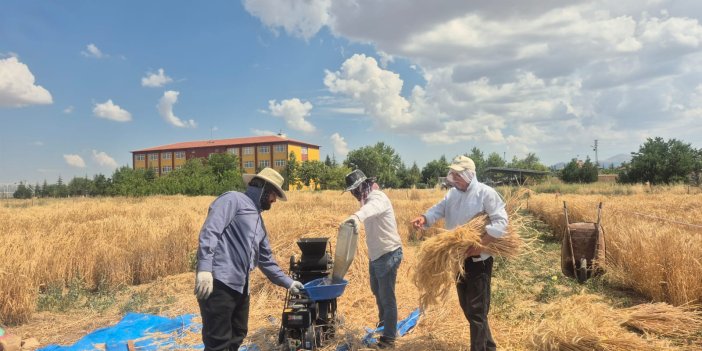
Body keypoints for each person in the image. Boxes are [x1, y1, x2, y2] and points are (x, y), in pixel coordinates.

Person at [194, 167, 305, 351]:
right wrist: (204, 268)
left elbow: (266, 259)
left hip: (240, 287)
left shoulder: (259, 223)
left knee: (238, 333)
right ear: (263, 188)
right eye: (273, 194)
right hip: (219, 284)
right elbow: (210, 231)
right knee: (218, 341)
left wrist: (289, 283)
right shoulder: (233, 200)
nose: (274, 200)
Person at [410, 156, 508, 351]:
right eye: (453, 174)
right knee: (467, 306)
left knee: (477, 310)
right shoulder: (453, 194)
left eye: (458, 174)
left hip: (478, 259)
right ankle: (489, 347)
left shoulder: (485, 193)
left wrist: (481, 245)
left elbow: (501, 222)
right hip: (457, 260)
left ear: (469, 174)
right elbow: (439, 209)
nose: (454, 178)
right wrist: (424, 218)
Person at [342, 169, 403, 349]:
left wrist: (356, 217)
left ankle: (389, 339)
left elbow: (370, 210)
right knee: (376, 290)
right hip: (376, 255)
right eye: (352, 191)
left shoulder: (377, 198)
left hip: (389, 253)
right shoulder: (366, 201)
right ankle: (385, 324)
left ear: (364, 185)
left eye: (356, 189)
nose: (354, 193)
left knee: (387, 297)